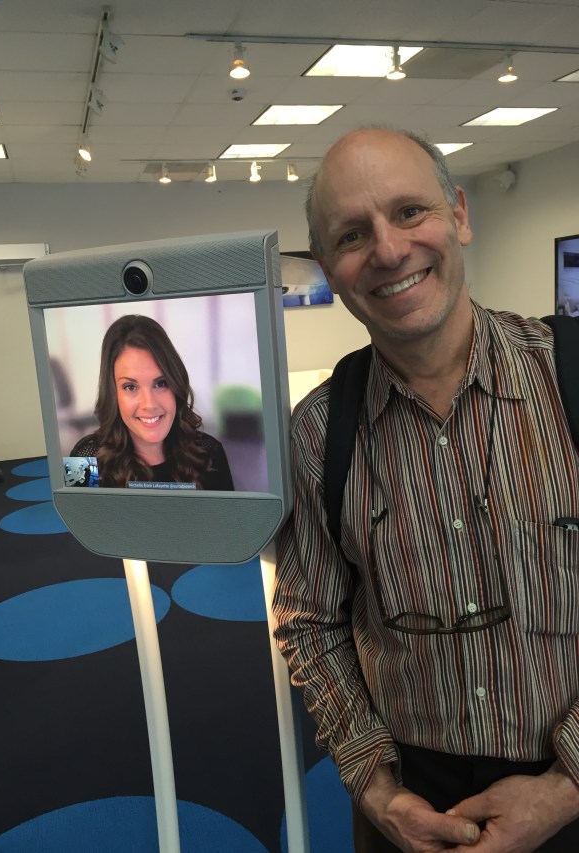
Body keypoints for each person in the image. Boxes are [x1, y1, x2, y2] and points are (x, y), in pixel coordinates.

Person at [272, 127, 579, 853]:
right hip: (410, 806)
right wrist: (380, 793)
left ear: (459, 214)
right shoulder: (317, 434)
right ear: (328, 267)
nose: (387, 250)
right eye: (352, 234)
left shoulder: (567, 379)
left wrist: (565, 788)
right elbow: (310, 622)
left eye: (410, 211)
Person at [70, 314, 234, 491]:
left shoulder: (211, 453)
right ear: (113, 393)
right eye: (130, 387)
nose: (149, 404)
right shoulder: (82, 459)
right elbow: (69, 511)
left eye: (161, 383)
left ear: (175, 385)